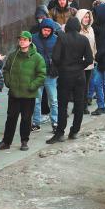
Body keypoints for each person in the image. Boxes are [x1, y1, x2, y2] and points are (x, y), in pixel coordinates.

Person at [48, 16, 93, 144]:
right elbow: (90, 59)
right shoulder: (84, 39)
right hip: (80, 76)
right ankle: (74, 131)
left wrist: (63, 65)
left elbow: (55, 58)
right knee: (79, 104)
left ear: (67, 26)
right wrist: (80, 66)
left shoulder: (62, 38)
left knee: (63, 105)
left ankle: (60, 132)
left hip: (65, 75)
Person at [0, 31, 46, 152]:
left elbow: (41, 75)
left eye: (24, 39)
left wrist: (32, 86)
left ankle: (24, 141)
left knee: (26, 119)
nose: (22, 41)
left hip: (28, 95)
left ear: (30, 41)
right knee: (11, 118)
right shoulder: (13, 56)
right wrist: (8, 82)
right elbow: (6, 70)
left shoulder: (37, 58)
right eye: (20, 39)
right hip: (14, 93)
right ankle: (6, 141)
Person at [31, 18, 60, 133]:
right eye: (44, 30)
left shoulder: (56, 39)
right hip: (37, 73)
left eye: (48, 30)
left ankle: (55, 122)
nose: (46, 32)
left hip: (50, 74)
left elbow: (59, 55)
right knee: (36, 100)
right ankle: (36, 123)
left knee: (53, 99)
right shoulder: (34, 38)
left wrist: (56, 67)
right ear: (41, 29)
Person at [76, 9, 96, 114]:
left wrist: (94, 56)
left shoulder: (91, 29)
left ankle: (84, 106)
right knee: (79, 86)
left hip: (89, 62)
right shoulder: (77, 30)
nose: (86, 19)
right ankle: (78, 106)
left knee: (86, 85)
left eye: (88, 17)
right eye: (84, 17)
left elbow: (94, 44)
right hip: (79, 62)